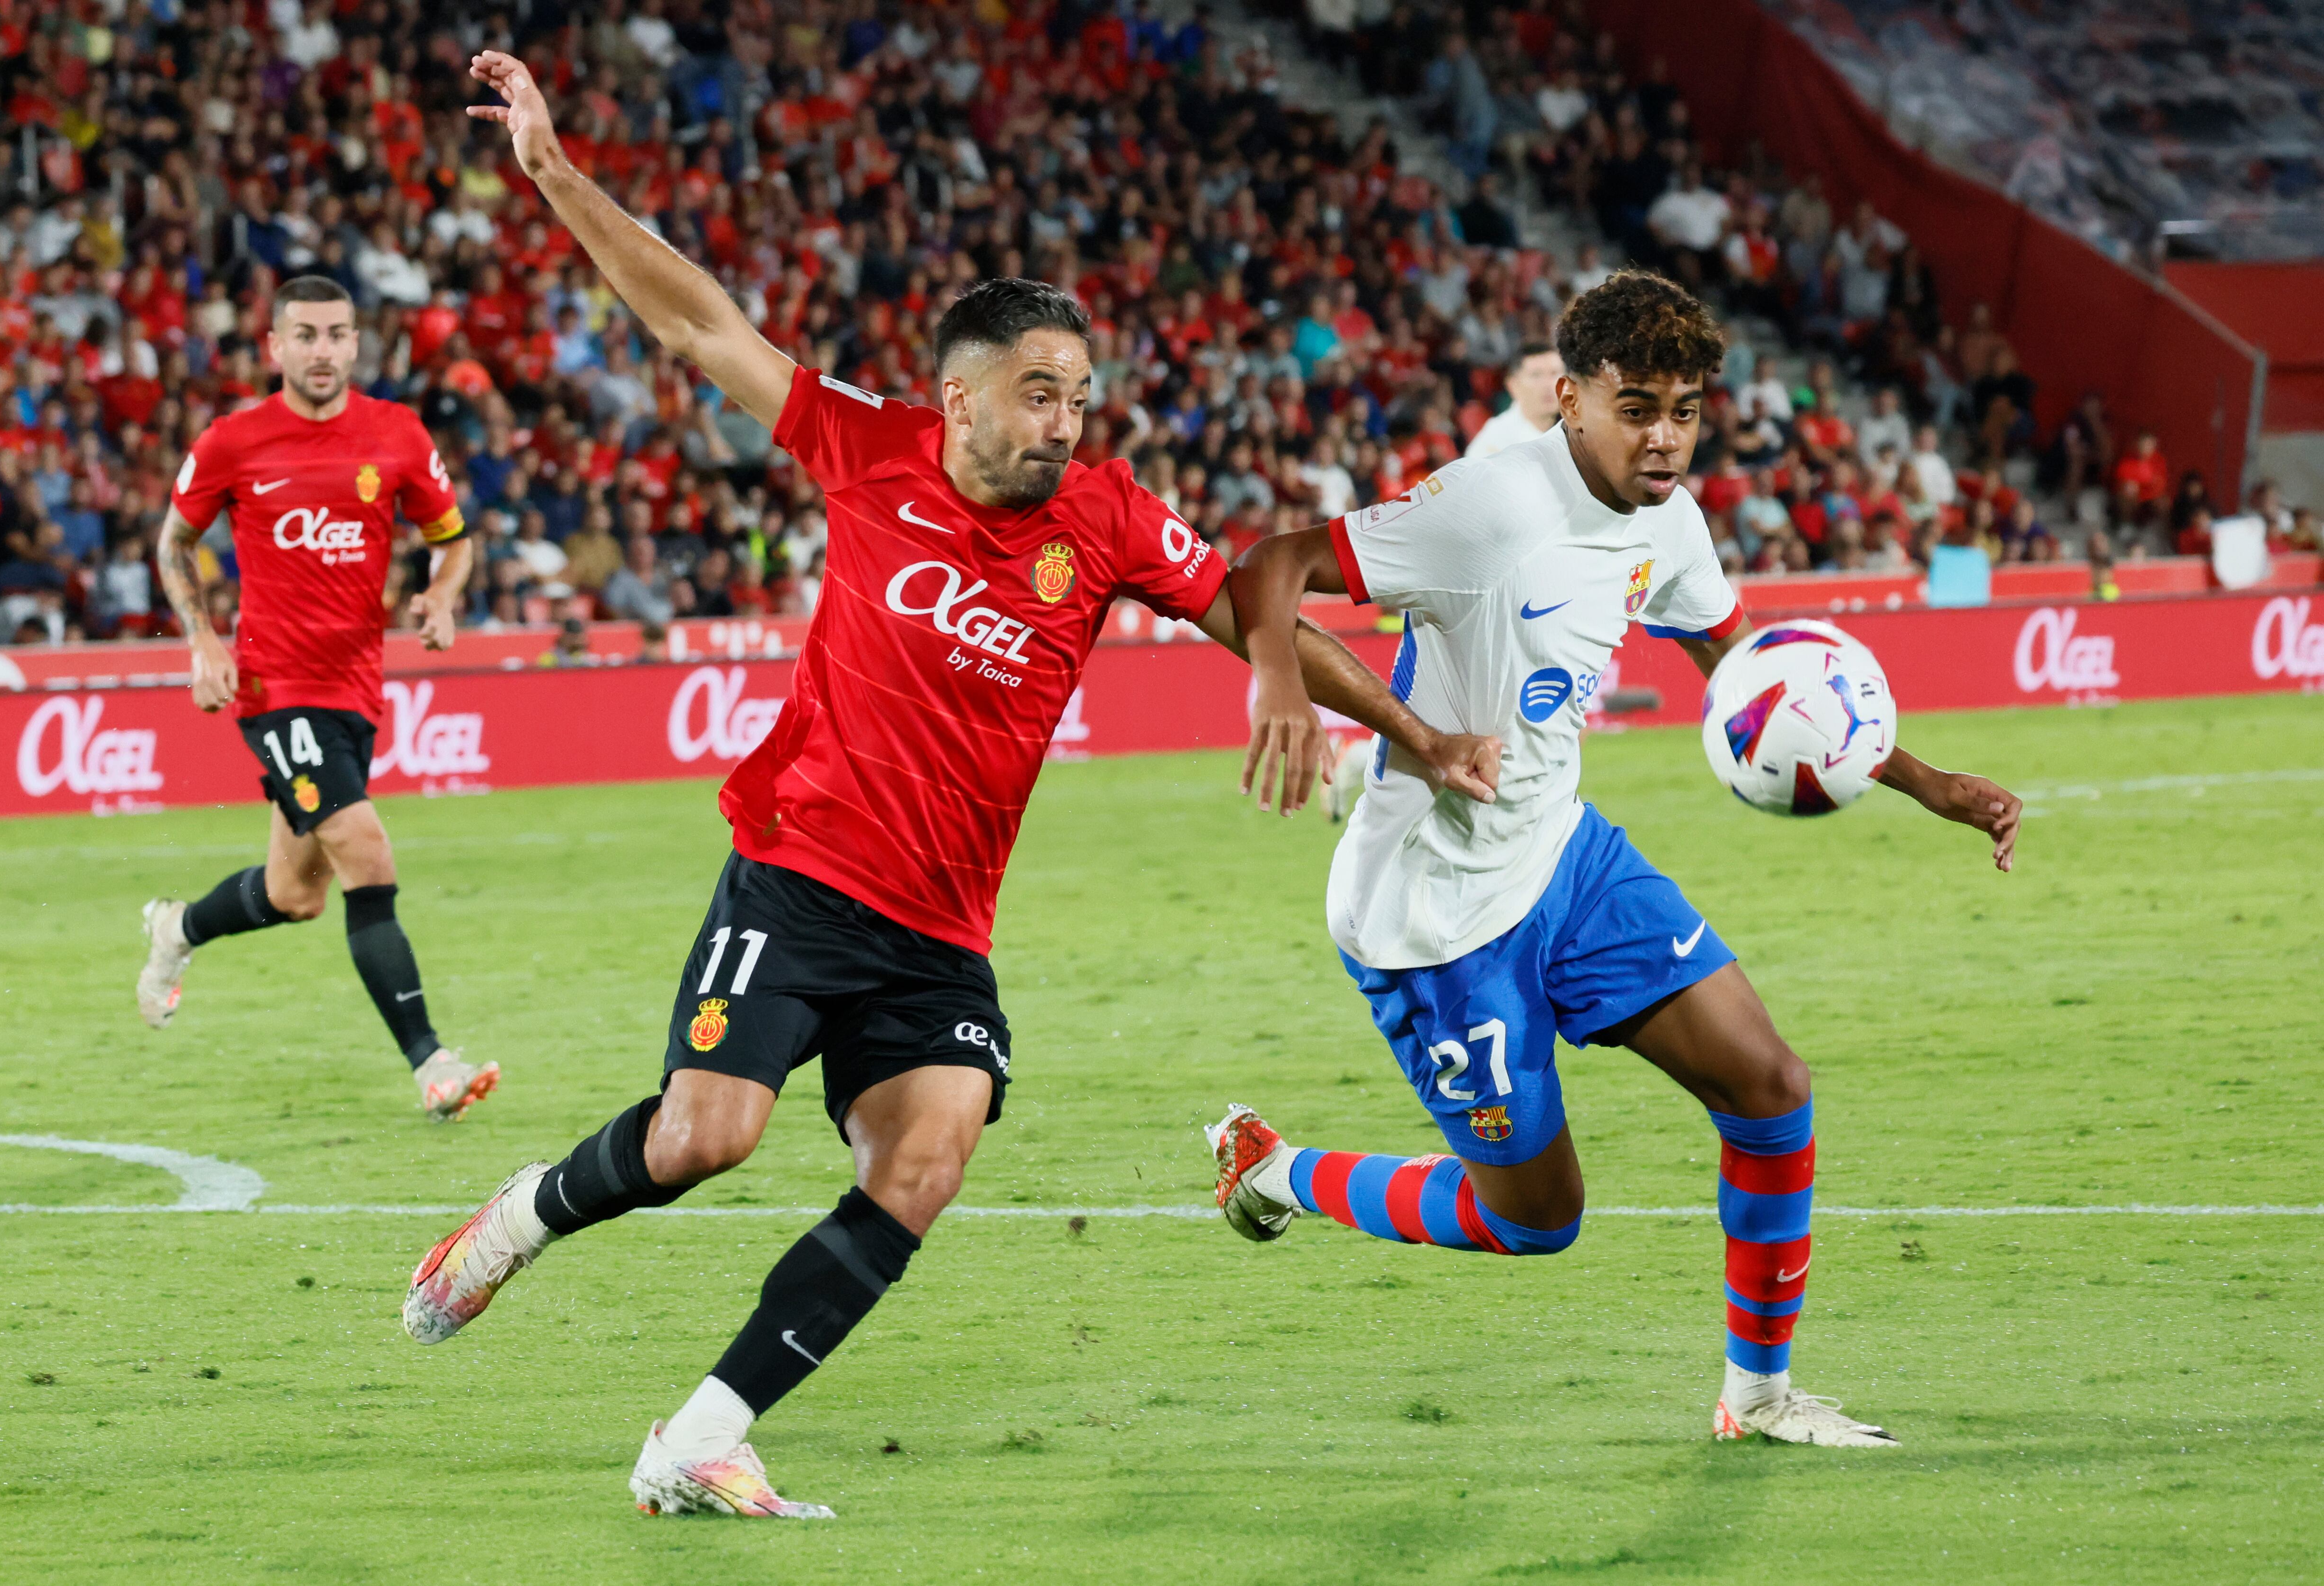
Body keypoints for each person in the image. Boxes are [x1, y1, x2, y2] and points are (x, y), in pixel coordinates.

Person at [404, 49, 1501, 1524]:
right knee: (701, 1138)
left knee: (926, 1157)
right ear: (956, 399)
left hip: (940, 923)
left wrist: (1413, 739)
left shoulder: (1105, 517)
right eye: (1040, 395)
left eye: (1083, 397)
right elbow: (697, 320)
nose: (1068, 421)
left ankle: (700, 1435)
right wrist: (549, 169)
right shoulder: (864, 449)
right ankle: (525, 1216)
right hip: (798, 872)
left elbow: (1256, 608)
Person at [1219, 270, 2021, 1451]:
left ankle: (1756, 1394)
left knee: (1771, 1087)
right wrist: (1280, 684)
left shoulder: (1673, 520)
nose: (1663, 437)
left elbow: (1748, 674)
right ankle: (1275, 1170)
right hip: (1434, 915)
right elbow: (1270, 563)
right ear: (1569, 397)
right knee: (1536, 1223)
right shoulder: (1489, 510)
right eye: (1635, 406)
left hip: (1565, 856)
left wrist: (1922, 781)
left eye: (1685, 409)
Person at [135, 275, 491, 1122]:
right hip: (273, 687)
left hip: (354, 690)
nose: (322, 350)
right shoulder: (234, 441)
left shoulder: (397, 434)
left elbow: (456, 540)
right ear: (275, 347)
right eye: (305, 334)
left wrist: (442, 596)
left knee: (296, 891)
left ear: (356, 344)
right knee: (367, 853)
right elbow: (174, 541)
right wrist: (203, 637)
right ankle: (432, 1063)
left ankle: (178, 928)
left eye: (336, 334)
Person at [1464, 341, 1565, 459]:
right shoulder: (1496, 443)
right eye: (1536, 375)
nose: (1549, 385)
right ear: (1513, 385)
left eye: (1555, 374)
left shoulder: (1573, 431)